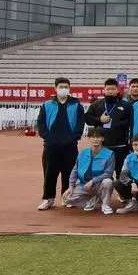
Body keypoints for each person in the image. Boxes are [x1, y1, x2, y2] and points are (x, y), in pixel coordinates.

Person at [36, 77, 86, 210]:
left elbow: (80, 124)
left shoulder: (76, 105)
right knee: (49, 173)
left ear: (69, 89)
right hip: (51, 146)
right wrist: (48, 138)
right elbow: (41, 124)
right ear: (55, 88)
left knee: (69, 173)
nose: (63, 89)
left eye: (66, 87)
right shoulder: (47, 105)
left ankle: (66, 198)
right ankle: (48, 199)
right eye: (61, 87)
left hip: (70, 146)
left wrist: (72, 138)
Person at [85, 78, 132, 179]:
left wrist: (116, 124)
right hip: (102, 145)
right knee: (103, 173)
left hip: (120, 145)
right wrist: (99, 119)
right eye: (108, 89)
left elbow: (130, 122)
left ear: (117, 90)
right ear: (104, 90)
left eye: (113, 89)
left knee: (122, 173)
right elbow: (88, 119)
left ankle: (121, 189)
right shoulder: (96, 105)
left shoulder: (126, 105)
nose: (110, 91)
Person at [61, 127, 114, 215]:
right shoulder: (83, 152)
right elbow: (75, 170)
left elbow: (108, 173)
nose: (95, 139)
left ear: (102, 139)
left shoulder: (109, 154)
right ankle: (92, 201)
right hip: (84, 184)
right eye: (93, 137)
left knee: (108, 182)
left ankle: (105, 204)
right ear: (89, 138)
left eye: (98, 137)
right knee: (66, 199)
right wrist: (71, 186)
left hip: (100, 184)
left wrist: (93, 181)